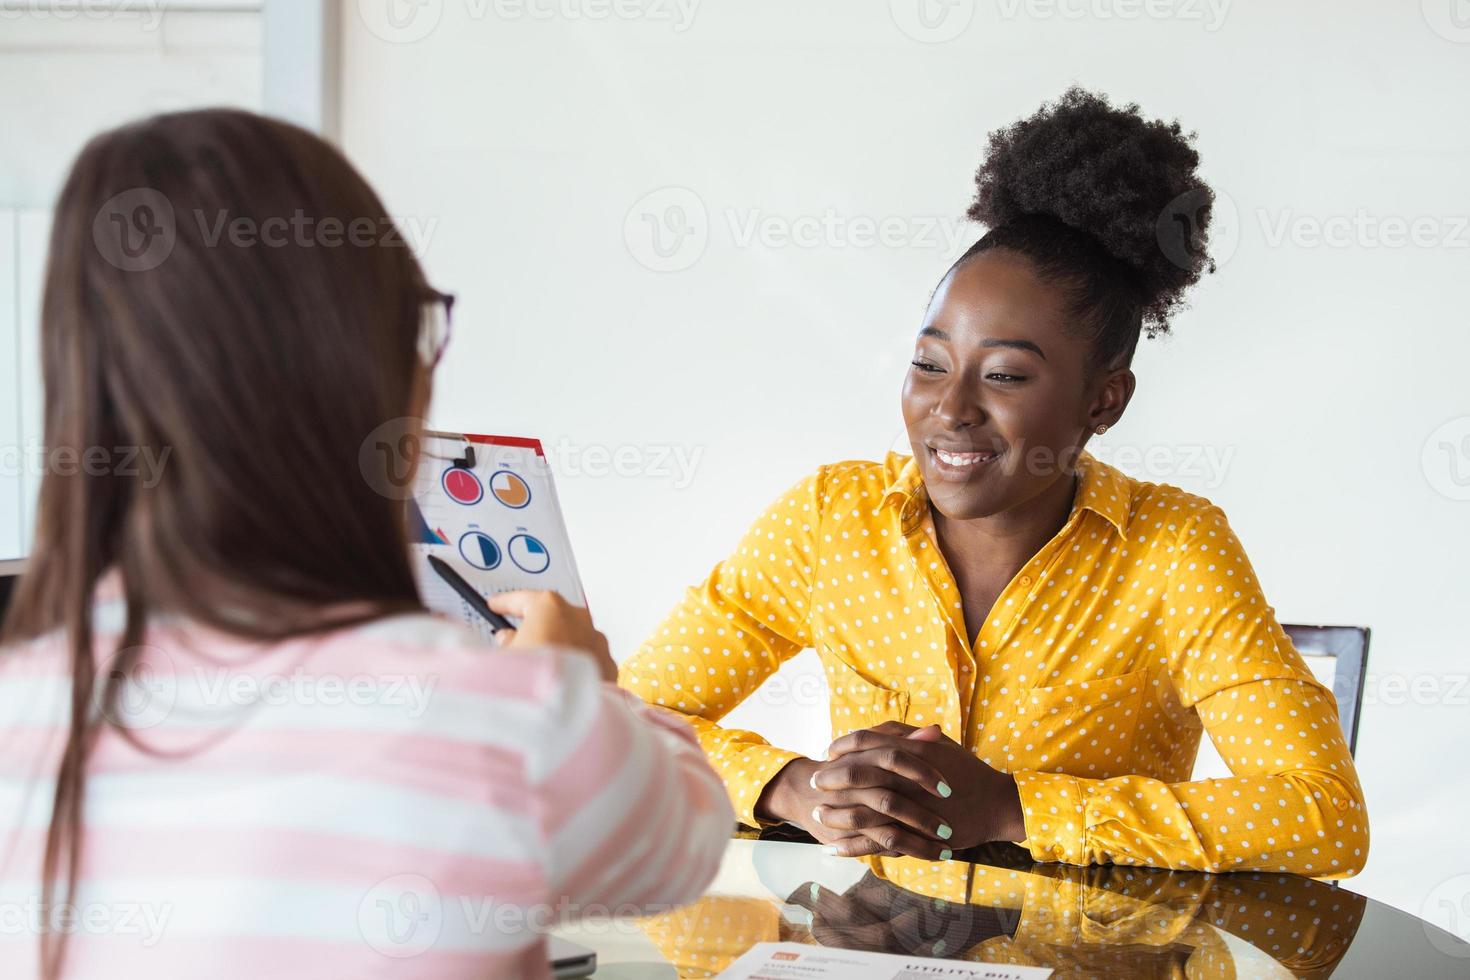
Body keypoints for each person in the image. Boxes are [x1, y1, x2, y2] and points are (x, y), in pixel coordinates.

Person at [0, 108, 732, 979]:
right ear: (367, 374)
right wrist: (581, 684)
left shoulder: (24, 701)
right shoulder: (508, 720)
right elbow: (685, 844)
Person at [620, 88, 1368, 875]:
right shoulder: (831, 521)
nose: (950, 409)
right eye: (928, 364)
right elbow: (623, 727)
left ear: (1103, 400)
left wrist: (1012, 806)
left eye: (1006, 375)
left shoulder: (1172, 550)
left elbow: (1323, 815)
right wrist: (794, 788)